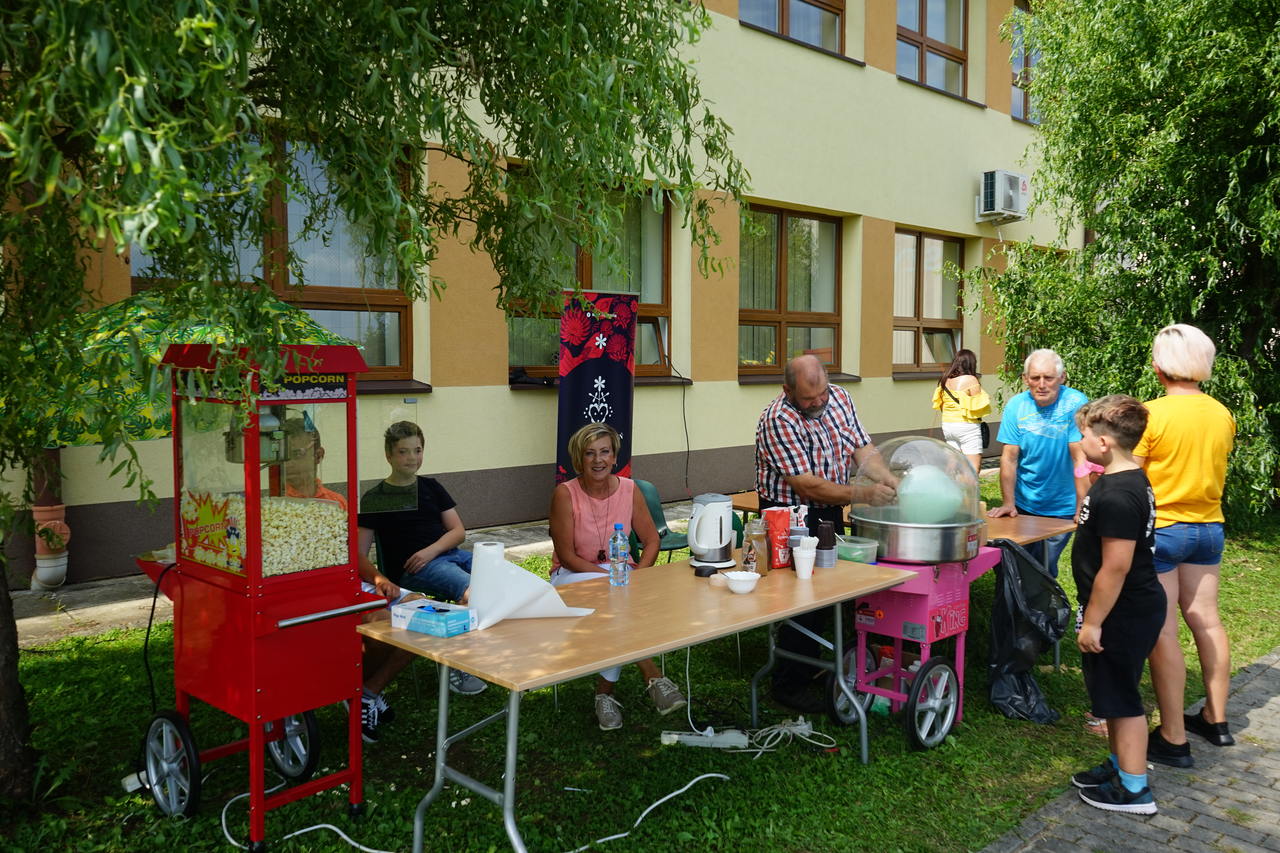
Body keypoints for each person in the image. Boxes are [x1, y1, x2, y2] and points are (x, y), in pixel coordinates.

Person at [754, 354, 896, 713]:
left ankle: (823, 669)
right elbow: (807, 487)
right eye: (808, 399)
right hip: (789, 516)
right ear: (787, 390)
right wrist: (864, 493)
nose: (818, 403)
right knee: (799, 601)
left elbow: (862, 448)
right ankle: (789, 684)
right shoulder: (776, 420)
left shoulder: (840, 398)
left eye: (822, 395)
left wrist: (886, 477)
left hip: (828, 508)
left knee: (830, 591)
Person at [281, 417, 419, 743]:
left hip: (346, 584)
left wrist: (378, 577)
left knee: (420, 611)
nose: (295, 462)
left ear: (319, 455)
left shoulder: (334, 501)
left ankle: (364, 692)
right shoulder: (275, 505)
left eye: (303, 453)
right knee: (385, 623)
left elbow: (351, 555)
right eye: (289, 455)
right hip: (307, 594)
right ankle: (358, 690)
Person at [1137, 324, 1237, 769]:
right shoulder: (1221, 412)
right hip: (1208, 528)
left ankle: (1173, 736)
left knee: (1163, 630)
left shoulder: (1150, 414)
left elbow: (1129, 473)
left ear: (1158, 367)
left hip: (1163, 530)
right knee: (1208, 622)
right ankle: (1216, 719)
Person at [548, 422, 687, 731]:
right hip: (572, 576)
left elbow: (652, 541)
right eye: (590, 454)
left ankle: (604, 696)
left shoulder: (629, 489)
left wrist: (640, 576)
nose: (598, 461)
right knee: (618, 604)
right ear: (578, 459)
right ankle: (652, 675)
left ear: (614, 457)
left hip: (621, 576)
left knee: (619, 609)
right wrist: (610, 578)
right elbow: (567, 556)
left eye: (605, 452)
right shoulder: (565, 494)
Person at [1068, 395, 1165, 815]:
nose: (1080, 440)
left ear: (1104, 442)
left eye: (1085, 434)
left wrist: (1092, 623)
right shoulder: (1120, 479)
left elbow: (1116, 568)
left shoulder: (1119, 495)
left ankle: (1134, 790)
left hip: (1121, 611)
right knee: (1110, 694)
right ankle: (1118, 766)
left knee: (1122, 700)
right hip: (1120, 608)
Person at [356, 421, 487, 709]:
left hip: (443, 554)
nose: (412, 458)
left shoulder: (430, 487)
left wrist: (430, 551)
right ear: (389, 456)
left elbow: (458, 531)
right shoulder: (375, 498)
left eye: (417, 450)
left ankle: (485, 653)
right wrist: (379, 580)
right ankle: (458, 662)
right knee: (473, 593)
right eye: (403, 452)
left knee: (503, 580)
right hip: (414, 571)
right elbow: (359, 554)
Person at [986, 349, 1089, 577]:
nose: (1041, 384)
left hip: (1062, 505)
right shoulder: (1016, 406)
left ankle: (1043, 610)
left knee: (1043, 568)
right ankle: (1017, 610)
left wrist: (1082, 505)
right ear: (1025, 379)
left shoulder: (1075, 403)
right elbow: (1009, 457)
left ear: (1061, 378)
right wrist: (1008, 502)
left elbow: (1079, 457)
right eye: (1035, 378)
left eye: (1048, 378)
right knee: (1013, 562)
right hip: (1025, 504)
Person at [931, 348, 991, 473]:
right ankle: (969, 491)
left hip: (948, 426)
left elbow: (942, 405)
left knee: (952, 465)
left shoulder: (944, 379)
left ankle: (949, 489)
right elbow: (978, 406)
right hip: (967, 427)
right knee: (973, 467)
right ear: (970, 363)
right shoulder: (971, 380)